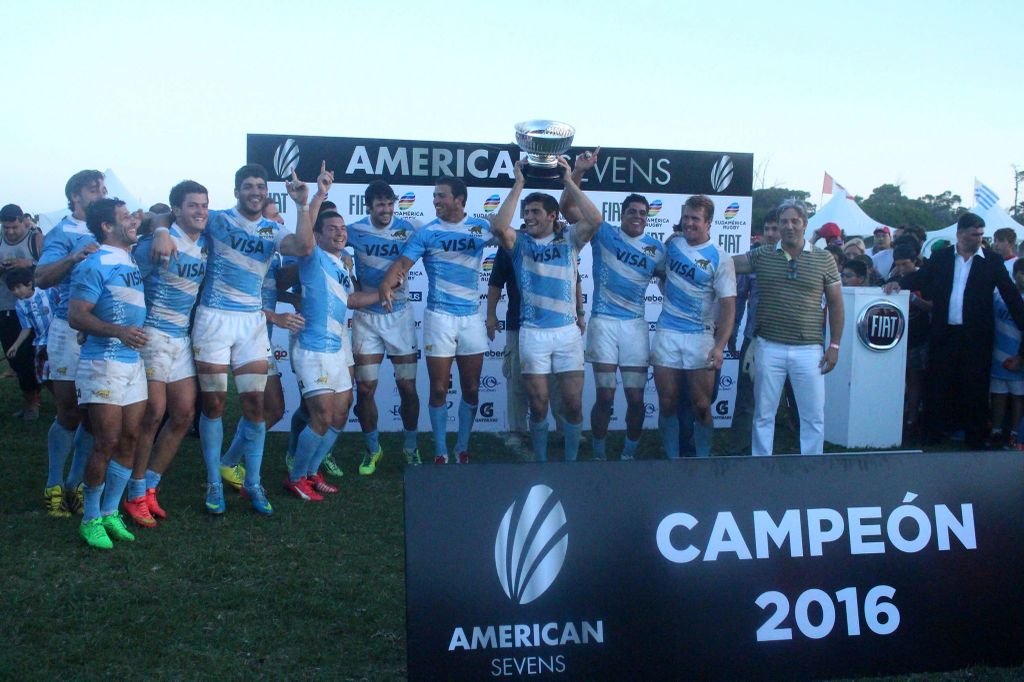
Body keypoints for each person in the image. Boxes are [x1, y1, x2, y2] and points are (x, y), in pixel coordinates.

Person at [151, 163, 314, 515]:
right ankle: (213, 483)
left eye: (261, 186)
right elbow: (165, 212)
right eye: (248, 186)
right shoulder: (218, 219)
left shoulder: (273, 228)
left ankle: (252, 483)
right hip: (213, 319)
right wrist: (161, 229)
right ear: (237, 190)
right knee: (214, 406)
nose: (255, 191)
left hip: (252, 323)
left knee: (255, 407)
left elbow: (303, 246)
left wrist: (303, 204)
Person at [488, 158, 599, 461]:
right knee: (538, 405)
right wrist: (519, 183)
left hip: (566, 333)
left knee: (572, 404)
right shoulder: (520, 242)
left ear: (553, 215)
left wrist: (569, 180)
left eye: (536, 212)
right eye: (526, 212)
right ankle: (540, 463)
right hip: (533, 334)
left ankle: (571, 463)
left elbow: (595, 219)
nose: (529, 217)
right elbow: (498, 225)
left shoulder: (570, 238)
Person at [559, 148, 665, 460]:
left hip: (634, 326)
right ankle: (600, 454)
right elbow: (567, 206)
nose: (638, 217)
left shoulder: (657, 249)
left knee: (635, 398)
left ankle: (629, 455)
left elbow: (675, 283)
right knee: (605, 395)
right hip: (604, 322)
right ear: (622, 214)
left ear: (648, 218)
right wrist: (576, 173)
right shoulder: (603, 232)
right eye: (632, 211)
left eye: (643, 213)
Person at [378, 177, 491, 464]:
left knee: (472, 388)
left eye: (441, 196)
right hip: (439, 317)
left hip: (471, 318)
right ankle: (441, 450)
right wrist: (386, 286)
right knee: (439, 388)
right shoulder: (427, 232)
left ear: (460, 199)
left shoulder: (481, 227)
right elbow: (403, 265)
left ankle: (462, 447)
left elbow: (511, 236)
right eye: (434, 196)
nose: (436, 201)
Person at [886, 212, 1024, 449]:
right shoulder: (941, 257)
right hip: (944, 333)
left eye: (981, 234)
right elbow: (920, 277)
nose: (979, 238)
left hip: (976, 336)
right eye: (974, 234)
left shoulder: (991, 261)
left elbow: (1010, 295)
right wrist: (898, 283)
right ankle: (933, 433)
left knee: (975, 387)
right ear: (960, 234)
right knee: (937, 383)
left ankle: (975, 436)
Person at [126, 180, 209, 527]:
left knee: (184, 415)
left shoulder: (207, 243)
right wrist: (160, 228)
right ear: (177, 210)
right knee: (154, 413)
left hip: (182, 338)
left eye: (204, 205)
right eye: (193, 206)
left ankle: (150, 487)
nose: (201, 212)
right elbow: (129, 284)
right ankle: (133, 492)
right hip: (153, 334)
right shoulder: (153, 243)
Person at [733, 199, 844, 456]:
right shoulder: (763, 255)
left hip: (809, 350)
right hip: (768, 347)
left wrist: (835, 345)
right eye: (784, 221)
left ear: (805, 224)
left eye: (795, 221)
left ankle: (811, 467)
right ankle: (761, 465)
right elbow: (728, 264)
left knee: (813, 415)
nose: (789, 226)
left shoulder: (824, 259)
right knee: (763, 414)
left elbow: (837, 305)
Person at [67, 198, 147, 549]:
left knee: (130, 439)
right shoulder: (94, 263)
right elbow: (76, 316)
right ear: (106, 226)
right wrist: (117, 331)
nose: (133, 221)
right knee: (106, 441)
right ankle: (90, 519)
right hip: (102, 363)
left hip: (133, 363)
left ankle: (111, 511)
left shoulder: (129, 257)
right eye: (125, 217)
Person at [286, 209, 380, 499]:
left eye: (342, 228)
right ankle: (296, 476)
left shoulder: (340, 264)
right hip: (312, 348)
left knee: (341, 411)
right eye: (331, 229)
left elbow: (350, 299)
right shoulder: (312, 256)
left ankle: (313, 471)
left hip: (336, 349)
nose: (340, 233)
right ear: (317, 235)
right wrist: (310, 201)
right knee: (322, 415)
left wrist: (382, 293)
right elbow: (302, 239)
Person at [34, 169, 106, 517]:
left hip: (102, 330)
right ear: (75, 196)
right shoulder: (62, 231)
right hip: (67, 328)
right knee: (69, 411)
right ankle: (52, 483)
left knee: (96, 412)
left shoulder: (111, 228)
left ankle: (75, 483)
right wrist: (73, 257)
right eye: (95, 189)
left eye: (104, 188)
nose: (102, 193)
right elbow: (41, 278)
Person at [652, 195, 736, 458]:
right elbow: (659, 272)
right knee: (667, 402)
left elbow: (729, 307)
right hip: (667, 332)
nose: (689, 223)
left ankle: (703, 459)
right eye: (686, 217)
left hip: (700, 336)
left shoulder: (720, 258)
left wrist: (720, 346)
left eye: (695, 219)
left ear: (708, 223)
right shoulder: (673, 244)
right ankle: (671, 459)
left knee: (701, 405)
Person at [347, 181, 422, 470]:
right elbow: (329, 245)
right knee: (365, 388)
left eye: (390, 203)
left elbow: (438, 240)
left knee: (407, 387)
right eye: (380, 204)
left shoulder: (410, 226)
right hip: (367, 317)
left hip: (400, 316)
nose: (386, 210)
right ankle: (372, 448)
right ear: (368, 206)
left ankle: (411, 447)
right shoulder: (354, 229)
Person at [0, 203, 44, 419]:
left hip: (35, 307)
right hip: (7, 305)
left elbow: (50, 266)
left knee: (34, 354)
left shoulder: (34, 239)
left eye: (13, 227)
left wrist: (29, 264)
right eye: (5, 228)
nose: (9, 232)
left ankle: (36, 403)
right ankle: (30, 399)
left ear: (22, 221)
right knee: (15, 356)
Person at [887, 244, 931, 438]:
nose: (902, 269)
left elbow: (933, 307)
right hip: (897, 338)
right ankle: (898, 416)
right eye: (898, 265)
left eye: (905, 264)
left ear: (915, 261)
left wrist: (912, 298)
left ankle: (913, 418)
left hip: (919, 337)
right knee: (897, 380)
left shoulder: (926, 278)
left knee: (915, 380)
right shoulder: (895, 277)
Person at [989, 258, 1024, 447]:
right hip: (998, 353)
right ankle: (996, 430)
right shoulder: (1000, 297)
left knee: (1018, 396)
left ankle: (1015, 432)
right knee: (998, 394)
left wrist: (1021, 356)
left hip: (1017, 356)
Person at [6, 267, 53, 394]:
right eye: (12, 289)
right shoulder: (19, 305)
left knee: (62, 373)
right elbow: (26, 327)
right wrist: (15, 346)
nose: (16, 292)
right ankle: (59, 404)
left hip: (57, 339)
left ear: (29, 284)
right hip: (40, 343)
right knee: (44, 376)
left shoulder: (46, 292)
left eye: (18, 287)